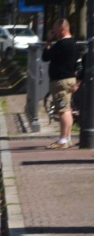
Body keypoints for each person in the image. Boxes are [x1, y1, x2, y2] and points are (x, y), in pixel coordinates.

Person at [42, 18, 79, 149]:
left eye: (55, 29)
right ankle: (67, 138)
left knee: (63, 110)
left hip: (60, 81)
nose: (54, 32)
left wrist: (48, 41)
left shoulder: (62, 44)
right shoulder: (74, 43)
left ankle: (63, 140)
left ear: (62, 28)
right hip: (69, 79)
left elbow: (45, 56)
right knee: (67, 109)